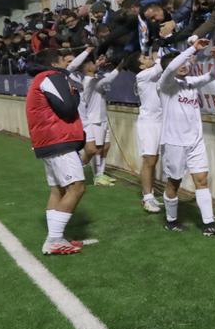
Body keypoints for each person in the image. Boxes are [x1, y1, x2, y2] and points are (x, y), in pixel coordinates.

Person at [158, 38, 215, 236]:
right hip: (174, 142)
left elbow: (214, 74)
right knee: (174, 182)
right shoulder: (165, 85)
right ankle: (171, 220)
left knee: (202, 180)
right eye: (180, 63)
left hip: (195, 141)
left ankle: (209, 224)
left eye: (185, 63)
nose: (184, 66)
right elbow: (170, 67)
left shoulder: (191, 82)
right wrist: (192, 49)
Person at [25, 49, 86, 256]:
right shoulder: (51, 76)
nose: (67, 64)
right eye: (63, 60)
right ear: (54, 63)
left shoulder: (40, 78)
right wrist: (75, 93)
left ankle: (56, 238)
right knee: (76, 187)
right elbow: (67, 109)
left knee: (57, 190)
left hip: (49, 141)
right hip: (59, 140)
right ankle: (54, 240)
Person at [68, 48, 119, 187]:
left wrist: (97, 64)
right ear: (86, 67)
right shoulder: (86, 81)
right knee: (95, 149)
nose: (95, 64)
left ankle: (100, 174)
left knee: (105, 147)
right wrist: (87, 51)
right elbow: (72, 68)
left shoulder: (93, 78)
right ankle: (89, 173)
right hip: (92, 119)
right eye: (91, 63)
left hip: (102, 117)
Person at [122, 51, 164, 212]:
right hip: (149, 123)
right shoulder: (143, 76)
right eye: (145, 58)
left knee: (155, 160)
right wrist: (159, 50)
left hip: (161, 121)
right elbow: (161, 65)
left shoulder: (151, 74)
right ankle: (147, 198)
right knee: (149, 160)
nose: (149, 57)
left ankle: (151, 194)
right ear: (141, 66)